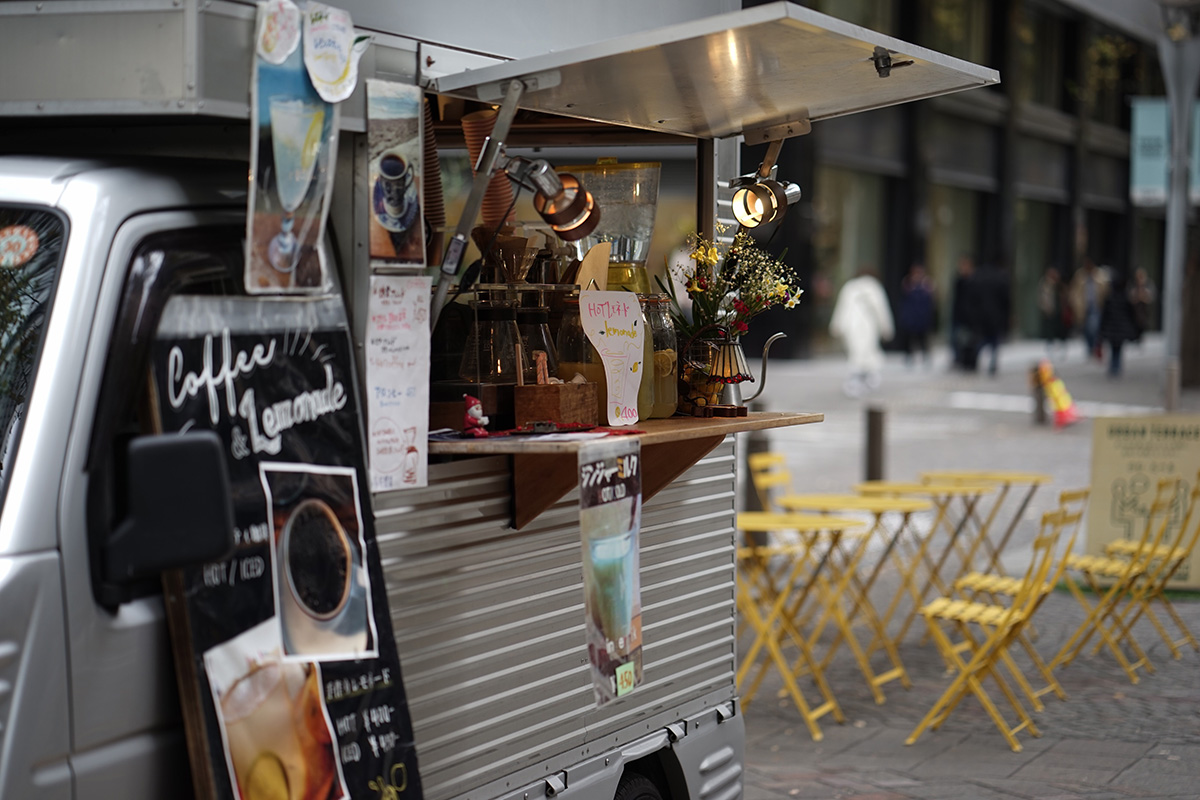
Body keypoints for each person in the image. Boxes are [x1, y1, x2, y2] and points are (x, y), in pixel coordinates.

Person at [829, 268, 894, 398]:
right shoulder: (874, 287)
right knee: (867, 352)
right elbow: (881, 310)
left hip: (851, 325)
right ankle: (864, 379)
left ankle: (858, 380)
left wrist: (836, 325)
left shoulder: (850, 287)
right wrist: (887, 328)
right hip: (868, 325)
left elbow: (842, 308)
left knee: (856, 353)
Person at [1069, 257, 1110, 361]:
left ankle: (1093, 347)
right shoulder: (1080, 275)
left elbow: (1106, 290)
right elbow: (1074, 291)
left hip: (1096, 307)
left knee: (1094, 328)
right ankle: (1089, 348)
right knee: (1086, 329)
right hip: (1083, 307)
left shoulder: (1100, 275)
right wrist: (1075, 304)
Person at [1099, 271, 1140, 377]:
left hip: (1112, 329)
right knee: (1118, 349)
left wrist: (1102, 329)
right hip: (1120, 329)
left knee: (1114, 349)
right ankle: (1116, 367)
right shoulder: (1125, 298)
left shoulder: (1110, 298)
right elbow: (1131, 314)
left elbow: (1104, 315)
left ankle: (1114, 367)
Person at [898, 263, 936, 367]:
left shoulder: (927, 285)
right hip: (911, 318)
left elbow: (931, 303)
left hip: (923, 318)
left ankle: (926, 357)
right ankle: (909, 357)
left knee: (923, 339)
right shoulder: (908, 284)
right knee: (910, 339)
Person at [975, 263, 1010, 375]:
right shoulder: (1000, 280)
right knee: (994, 342)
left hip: (984, 317)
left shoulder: (981, 279)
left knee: (984, 340)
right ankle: (992, 364)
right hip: (995, 317)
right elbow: (1006, 301)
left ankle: (976, 356)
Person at [950, 254, 982, 371]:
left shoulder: (975, 281)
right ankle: (960, 361)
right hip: (959, 317)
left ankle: (970, 363)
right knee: (958, 342)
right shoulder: (959, 281)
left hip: (972, 319)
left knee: (971, 342)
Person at [1038, 267, 1069, 356]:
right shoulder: (1045, 284)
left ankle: (1062, 345)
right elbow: (1042, 298)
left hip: (1060, 310)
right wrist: (1045, 308)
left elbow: (1065, 296)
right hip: (1050, 310)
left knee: (1060, 328)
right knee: (1050, 329)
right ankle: (1050, 346)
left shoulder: (1059, 285)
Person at [1128, 267, 1156, 342]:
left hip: (1145, 313)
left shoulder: (1148, 285)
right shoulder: (1133, 285)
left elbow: (1151, 298)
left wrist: (1143, 297)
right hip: (1134, 314)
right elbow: (1130, 298)